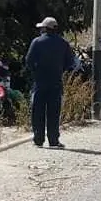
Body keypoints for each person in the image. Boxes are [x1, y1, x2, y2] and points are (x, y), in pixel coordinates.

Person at [25, 16, 77, 148]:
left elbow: (29, 61)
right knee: (54, 112)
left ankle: (38, 139)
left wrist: (36, 72)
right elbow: (70, 62)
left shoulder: (37, 42)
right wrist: (59, 70)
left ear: (45, 28)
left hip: (40, 81)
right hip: (56, 82)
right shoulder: (63, 43)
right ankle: (53, 140)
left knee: (38, 111)